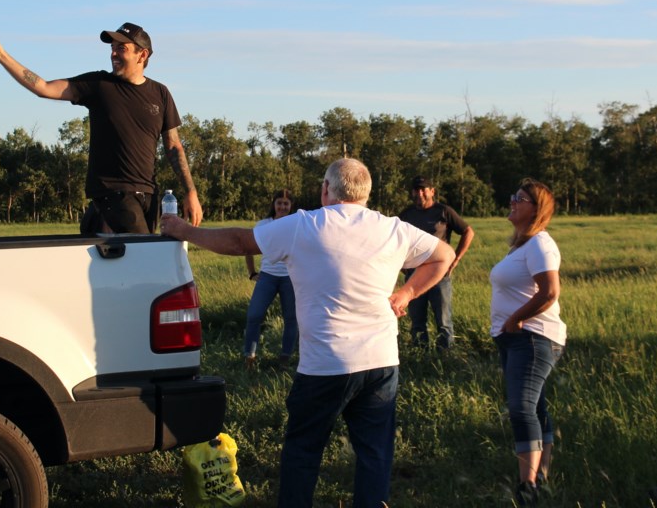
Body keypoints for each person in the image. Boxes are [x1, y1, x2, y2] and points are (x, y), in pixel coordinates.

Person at [161, 158, 455, 508]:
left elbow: (241, 242)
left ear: (326, 189)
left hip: (326, 366)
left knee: (304, 449)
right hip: (381, 362)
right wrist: (407, 292)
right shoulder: (393, 228)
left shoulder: (305, 224)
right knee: (374, 452)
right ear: (366, 193)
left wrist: (184, 231)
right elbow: (445, 255)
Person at [0, 22, 203, 234]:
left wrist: (190, 192)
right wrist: (1, 55)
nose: (113, 53)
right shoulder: (98, 85)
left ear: (142, 54)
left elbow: (173, 147)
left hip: (149, 194)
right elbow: (43, 87)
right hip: (114, 192)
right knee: (143, 257)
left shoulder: (160, 94)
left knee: (133, 265)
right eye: (112, 48)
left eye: (121, 48)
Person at [489, 178, 565, 506]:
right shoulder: (522, 245)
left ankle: (528, 486)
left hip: (533, 338)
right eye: (514, 196)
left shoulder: (540, 244)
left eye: (520, 198)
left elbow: (550, 292)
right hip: (517, 339)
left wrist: (516, 318)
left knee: (521, 408)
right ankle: (541, 476)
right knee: (535, 407)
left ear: (537, 209)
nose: (513, 202)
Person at [398, 175, 475, 350]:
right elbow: (396, 239)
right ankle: (420, 355)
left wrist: (456, 259)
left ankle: (445, 356)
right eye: (416, 190)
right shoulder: (406, 215)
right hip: (414, 276)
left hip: (439, 275)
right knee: (417, 321)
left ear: (432, 191)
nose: (420, 193)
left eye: (424, 189)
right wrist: (401, 264)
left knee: (444, 321)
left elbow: (468, 231)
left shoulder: (443, 211)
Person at [243, 189, 298, 368]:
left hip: (290, 278)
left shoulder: (296, 224)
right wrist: (252, 273)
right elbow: (248, 248)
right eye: (279, 202)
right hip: (267, 277)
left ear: (291, 206)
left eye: (286, 203)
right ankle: (249, 356)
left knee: (291, 319)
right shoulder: (263, 225)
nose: (282, 206)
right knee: (254, 315)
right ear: (273, 204)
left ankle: (285, 358)